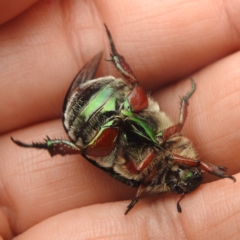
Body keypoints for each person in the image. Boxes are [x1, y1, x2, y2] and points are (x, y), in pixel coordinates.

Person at [0, 1, 239, 239]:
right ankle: (114, 54)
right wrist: (185, 105)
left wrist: (136, 184)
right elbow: (177, 124)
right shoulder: (175, 137)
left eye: (178, 183)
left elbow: (133, 173)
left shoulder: (147, 178)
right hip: (115, 98)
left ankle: (47, 146)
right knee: (136, 90)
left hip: (97, 131)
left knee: (89, 149)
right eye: (187, 168)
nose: (179, 173)